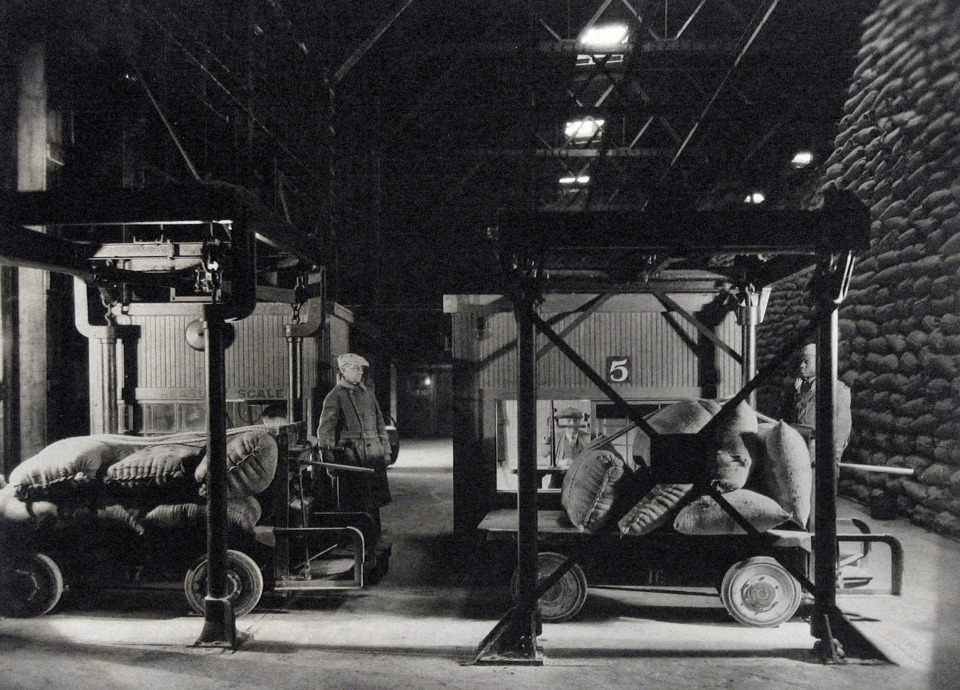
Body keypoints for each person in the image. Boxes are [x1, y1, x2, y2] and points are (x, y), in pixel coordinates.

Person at [316, 353, 392, 541]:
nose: (360, 373)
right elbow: (325, 432)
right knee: (354, 502)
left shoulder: (367, 393)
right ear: (343, 371)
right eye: (355, 368)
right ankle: (356, 542)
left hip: (372, 454)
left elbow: (380, 423)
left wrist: (386, 450)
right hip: (351, 457)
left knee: (373, 502)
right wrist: (330, 464)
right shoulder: (335, 396)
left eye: (361, 369)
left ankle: (374, 538)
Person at [778, 343, 852, 463]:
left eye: (806, 361)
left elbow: (841, 428)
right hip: (794, 453)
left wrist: (832, 457)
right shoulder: (794, 389)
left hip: (818, 458)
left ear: (819, 362)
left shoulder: (835, 389)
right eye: (801, 361)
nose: (801, 366)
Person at [544, 406, 592, 488]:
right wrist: (559, 462)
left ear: (580, 421)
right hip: (559, 481)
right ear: (562, 423)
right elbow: (540, 459)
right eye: (569, 421)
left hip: (582, 481)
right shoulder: (555, 439)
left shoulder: (589, 438)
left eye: (575, 420)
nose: (572, 424)